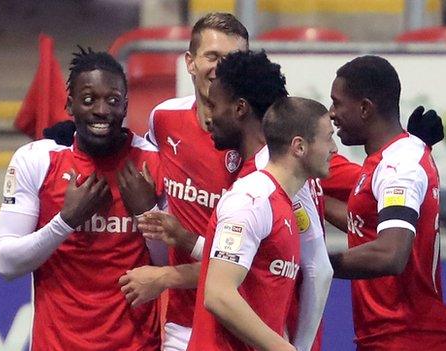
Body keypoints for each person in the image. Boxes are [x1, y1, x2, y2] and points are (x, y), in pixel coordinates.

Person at [125, 49, 333, 351]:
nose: (209, 117)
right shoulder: (262, 180)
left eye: (213, 104)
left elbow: (317, 270)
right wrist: (186, 240)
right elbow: (240, 261)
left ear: (239, 109)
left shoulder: (267, 184)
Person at [0, 47, 164, 350]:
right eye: (89, 100)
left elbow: (167, 265)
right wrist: (66, 221)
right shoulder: (37, 160)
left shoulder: (153, 162)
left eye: (112, 100)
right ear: (69, 105)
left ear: (125, 106)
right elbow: (6, 262)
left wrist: (147, 213)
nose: (101, 110)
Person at [327, 55, 446, 350]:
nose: (331, 113)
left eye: (337, 103)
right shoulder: (387, 159)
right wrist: (309, 200)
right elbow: (361, 223)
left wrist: (314, 265)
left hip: (411, 337)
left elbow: (390, 254)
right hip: (388, 337)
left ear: (365, 108)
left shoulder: (399, 166)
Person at [188, 96, 337, 351]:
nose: (334, 148)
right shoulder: (251, 200)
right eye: (328, 138)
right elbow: (218, 295)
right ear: (299, 147)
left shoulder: (284, 205)